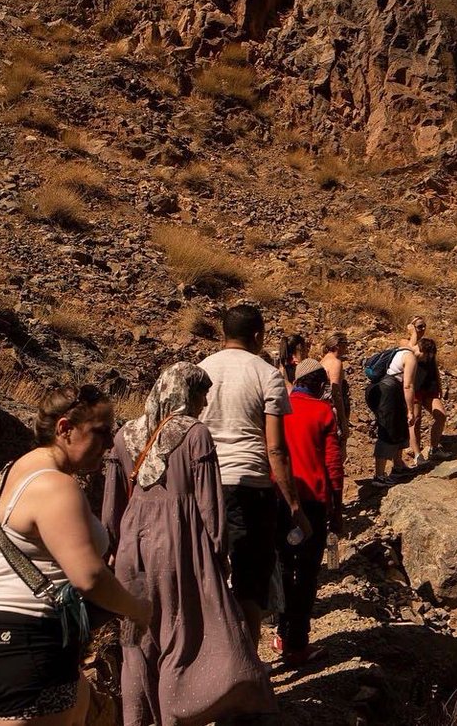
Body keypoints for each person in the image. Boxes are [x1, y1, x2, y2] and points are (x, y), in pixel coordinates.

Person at [0, 385, 151, 726]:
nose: (109, 443)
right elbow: (89, 577)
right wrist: (138, 610)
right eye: (100, 432)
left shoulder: (9, 474)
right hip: (28, 640)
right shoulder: (55, 486)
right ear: (65, 429)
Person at [102, 363, 275, 725]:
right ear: (185, 394)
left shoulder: (124, 436)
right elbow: (210, 504)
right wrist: (217, 551)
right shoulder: (195, 435)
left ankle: (136, 720)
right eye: (200, 394)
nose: (203, 402)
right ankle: (174, 717)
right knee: (178, 636)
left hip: (132, 546)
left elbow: (111, 508)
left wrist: (114, 547)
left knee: (136, 641)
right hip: (178, 543)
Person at [198, 304, 310, 645]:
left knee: (210, 574)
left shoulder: (201, 370)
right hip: (250, 484)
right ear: (259, 336)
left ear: (224, 334)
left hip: (205, 483)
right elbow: (275, 447)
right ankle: (248, 665)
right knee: (251, 581)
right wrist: (293, 505)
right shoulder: (267, 374)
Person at [276, 360, 343, 666]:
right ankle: (297, 643)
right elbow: (333, 464)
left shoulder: (278, 408)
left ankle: (281, 632)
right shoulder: (322, 411)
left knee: (283, 568)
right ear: (317, 385)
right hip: (312, 502)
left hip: (278, 498)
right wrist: (336, 508)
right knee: (305, 574)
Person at [366, 339, 421, 487]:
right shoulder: (410, 357)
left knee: (398, 427)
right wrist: (410, 410)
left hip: (381, 390)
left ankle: (398, 467)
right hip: (388, 392)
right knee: (388, 431)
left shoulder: (399, 351)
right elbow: (408, 386)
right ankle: (379, 476)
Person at [406, 318, 449, 463]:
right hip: (415, 387)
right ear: (411, 327)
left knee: (441, 415)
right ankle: (418, 454)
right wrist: (412, 333)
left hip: (429, 386)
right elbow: (410, 349)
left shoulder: (428, 344)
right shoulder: (407, 343)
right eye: (418, 326)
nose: (422, 328)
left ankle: (434, 448)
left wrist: (439, 385)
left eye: (424, 326)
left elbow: (434, 365)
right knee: (416, 420)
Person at [318, 331, 352, 446]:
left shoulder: (322, 361)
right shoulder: (335, 363)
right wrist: (343, 421)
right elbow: (336, 393)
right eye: (345, 344)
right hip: (332, 411)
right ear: (337, 345)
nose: (346, 348)